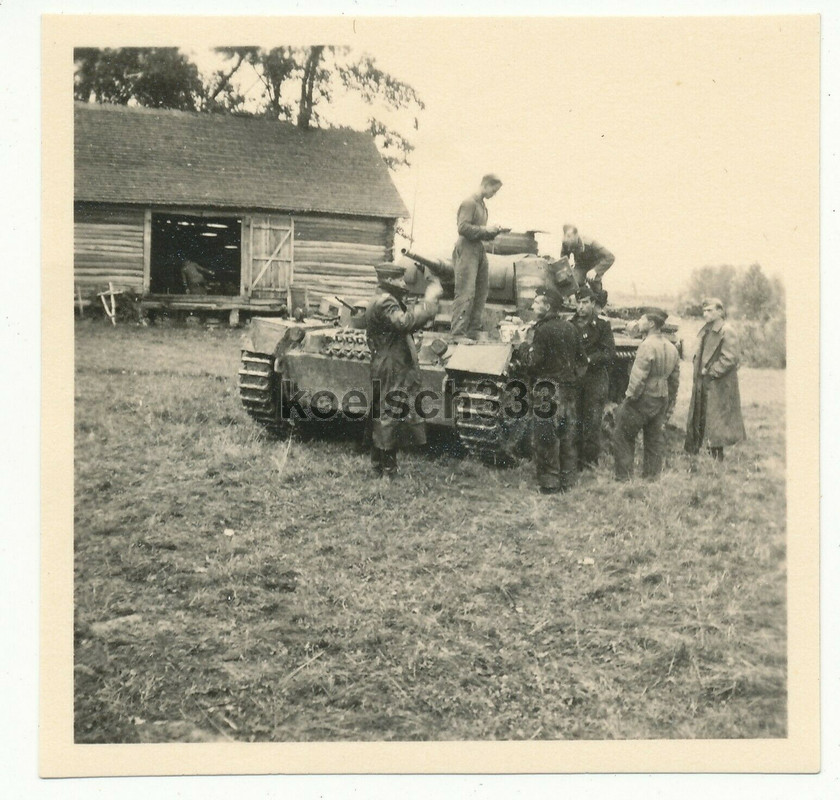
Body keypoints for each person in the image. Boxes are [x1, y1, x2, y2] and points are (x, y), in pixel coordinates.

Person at [365, 264, 443, 477]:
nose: (403, 283)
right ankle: (388, 470)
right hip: (392, 364)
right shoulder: (386, 301)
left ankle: (377, 466)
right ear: (389, 280)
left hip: (385, 362)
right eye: (400, 279)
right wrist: (428, 302)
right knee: (390, 414)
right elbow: (404, 322)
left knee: (382, 412)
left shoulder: (380, 297)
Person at [525, 288, 586, 494]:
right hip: (568, 389)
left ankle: (550, 482)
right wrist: (571, 379)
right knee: (567, 435)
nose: (533, 306)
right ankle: (568, 481)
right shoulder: (571, 328)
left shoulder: (543, 330)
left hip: (547, 389)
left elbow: (533, 362)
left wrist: (524, 348)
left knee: (546, 436)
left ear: (547, 306)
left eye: (536, 302)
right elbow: (582, 360)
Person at [613, 308, 680, 481]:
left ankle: (624, 477)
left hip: (644, 396)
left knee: (623, 432)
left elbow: (639, 376)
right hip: (662, 396)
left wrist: (630, 398)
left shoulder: (646, 345)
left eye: (642, 319)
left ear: (651, 324)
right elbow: (674, 380)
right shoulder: (671, 347)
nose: (639, 322)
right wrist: (670, 401)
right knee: (654, 437)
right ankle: (652, 476)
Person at [684, 297, 746, 460]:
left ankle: (717, 457)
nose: (705, 314)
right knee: (703, 416)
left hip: (719, 384)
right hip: (705, 382)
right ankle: (704, 452)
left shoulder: (727, 330)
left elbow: (730, 358)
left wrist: (711, 371)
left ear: (720, 311)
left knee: (717, 420)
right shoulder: (706, 330)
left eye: (709, 310)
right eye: (704, 311)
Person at [451, 174, 504, 339]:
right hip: (467, 248)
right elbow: (462, 228)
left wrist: (493, 231)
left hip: (478, 248)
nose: (494, 194)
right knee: (465, 291)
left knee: (481, 291)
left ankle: (473, 330)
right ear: (485, 185)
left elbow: (480, 232)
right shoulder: (469, 203)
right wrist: (485, 230)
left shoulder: (482, 206)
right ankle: (458, 333)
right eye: (493, 190)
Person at [572, 285, 616, 470]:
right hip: (574, 379)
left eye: (584, 303)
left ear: (592, 303)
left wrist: (589, 359)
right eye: (578, 303)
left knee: (592, 421)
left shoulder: (602, 326)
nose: (580, 307)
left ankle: (589, 462)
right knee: (574, 420)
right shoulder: (570, 325)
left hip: (594, 379)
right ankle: (574, 461)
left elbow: (609, 353)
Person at [560, 225, 615, 294]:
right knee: (573, 282)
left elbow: (610, 257)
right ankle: (582, 293)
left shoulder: (590, 243)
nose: (566, 239)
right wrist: (567, 270)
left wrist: (595, 271)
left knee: (597, 292)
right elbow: (564, 258)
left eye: (569, 236)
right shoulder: (566, 242)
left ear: (576, 235)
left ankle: (600, 294)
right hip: (581, 265)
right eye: (565, 235)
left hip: (595, 266)